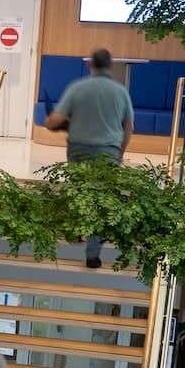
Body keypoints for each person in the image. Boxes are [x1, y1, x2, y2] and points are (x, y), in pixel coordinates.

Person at [45, 47, 134, 267]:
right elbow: (129, 126)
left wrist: (50, 121)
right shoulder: (121, 91)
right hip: (108, 152)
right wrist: (119, 152)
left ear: (90, 65)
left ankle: (75, 231)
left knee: (79, 190)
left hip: (79, 149)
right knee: (99, 200)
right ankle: (92, 255)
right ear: (110, 66)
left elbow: (55, 120)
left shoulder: (77, 88)